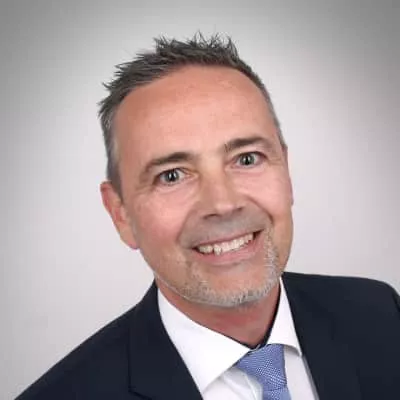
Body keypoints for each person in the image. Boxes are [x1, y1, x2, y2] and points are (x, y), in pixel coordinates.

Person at [17, 34, 400, 400]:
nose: (223, 203)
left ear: (286, 170)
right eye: (172, 175)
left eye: (246, 159)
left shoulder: (381, 315)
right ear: (120, 214)